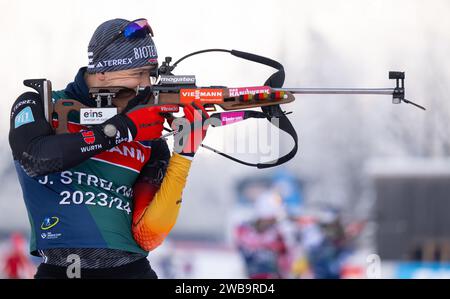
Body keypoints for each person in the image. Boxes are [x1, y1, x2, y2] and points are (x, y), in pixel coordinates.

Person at [8, 18, 209, 279]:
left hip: (133, 271)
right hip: (61, 270)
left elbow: (149, 233)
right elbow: (34, 157)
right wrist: (119, 129)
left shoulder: (148, 132)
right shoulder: (40, 104)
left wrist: (184, 154)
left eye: (151, 74)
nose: (146, 85)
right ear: (102, 72)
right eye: (138, 74)